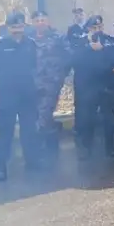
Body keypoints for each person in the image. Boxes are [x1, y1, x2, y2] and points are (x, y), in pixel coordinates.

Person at [0, 12, 40, 182]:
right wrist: (2, 82)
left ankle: (31, 161)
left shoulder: (30, 44)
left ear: (24, 26)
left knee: (29, 129)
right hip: (7, 95)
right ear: (8, 28)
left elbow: (34, 65)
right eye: (14, 27)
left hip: (27, 93)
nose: (17, 30)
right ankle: (1, 167)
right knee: (5, 131)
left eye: (20, 26)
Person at [72, 15, 114, 160]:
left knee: (109, 118)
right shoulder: (79, 42)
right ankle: (86, 148)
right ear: (88, 29)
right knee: (87, 118)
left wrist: (102, 50)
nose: (97, 30)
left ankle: (110, 147)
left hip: (107, 85)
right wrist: (89, 48)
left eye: (99, 27)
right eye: (94, 28)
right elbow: (73, 60)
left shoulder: (109, 41)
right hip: (87, 88)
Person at [31, 10, 71, 156]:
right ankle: (51, 142)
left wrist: (60, 75)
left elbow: (68, 56)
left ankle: (41, 148)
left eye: (43, 19)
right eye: (37, 20)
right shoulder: (29, 38)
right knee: (38, 113)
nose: (40, 22)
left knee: (44, 112)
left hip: (51, 82)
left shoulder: (58, 37)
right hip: (33, 83)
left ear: (47, 21)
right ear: (33, 23)